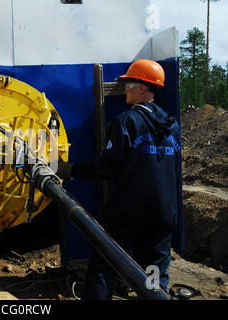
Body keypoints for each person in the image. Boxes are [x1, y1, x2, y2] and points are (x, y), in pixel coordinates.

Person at [57, 59, 181, 300]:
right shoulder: (172, 125)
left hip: (129, 214)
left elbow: (108, 167)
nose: (125, 89)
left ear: (143, 87)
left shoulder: (128, 121)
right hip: (163, 215)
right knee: (153, 272)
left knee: (104, 266)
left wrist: (71, 170)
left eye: (129, 84)